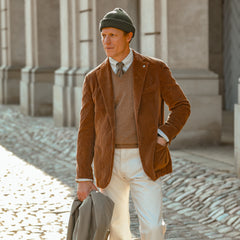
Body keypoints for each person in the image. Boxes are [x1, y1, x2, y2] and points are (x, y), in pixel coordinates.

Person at [75, 8, 190, 240]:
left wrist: (163, 135)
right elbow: (86, 130)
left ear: (129, 36)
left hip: (145, 158)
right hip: (109, 161)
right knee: (116, 230)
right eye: (103, 35)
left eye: (113, 35)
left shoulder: (155, 69)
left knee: (153, 228)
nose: (106, 41)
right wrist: (84, 176)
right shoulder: (93, 78)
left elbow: (181, 106)